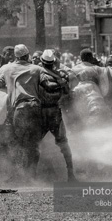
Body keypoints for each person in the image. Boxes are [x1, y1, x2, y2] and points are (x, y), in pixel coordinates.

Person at [0, 44, 60, 180]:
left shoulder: (6, 69)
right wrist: (61, 82)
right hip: (34, 108)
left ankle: (17, 175)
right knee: (33, 144)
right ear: (27, 55)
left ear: (16, 56)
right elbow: (49, 85)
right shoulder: (37, 69)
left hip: (17, 110)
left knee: (18, 142)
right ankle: (32, 175)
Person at [39, 50, 77, 182]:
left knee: (36, 143)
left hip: (43, 112)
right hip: (54, 111)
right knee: (63, 144)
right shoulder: (59, 75)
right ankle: (70, 174)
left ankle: (31, 175)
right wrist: (61, 81)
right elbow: (67, 91)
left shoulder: (38, 73)